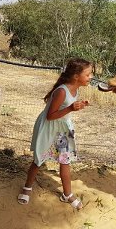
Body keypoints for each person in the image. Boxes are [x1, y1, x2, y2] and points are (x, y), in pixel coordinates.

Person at [18, 58, 93, 210]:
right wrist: (71, 108)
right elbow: (50, 116)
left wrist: (78, 105)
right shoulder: (61, 91)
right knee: (39, 160)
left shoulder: (76, 89)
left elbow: (66, 109)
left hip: (62, 130)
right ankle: (27, 188)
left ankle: (67, 194)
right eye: (88, 74)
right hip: (48, 128)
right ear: (76, 76)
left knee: (65, 161)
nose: (91, 77)